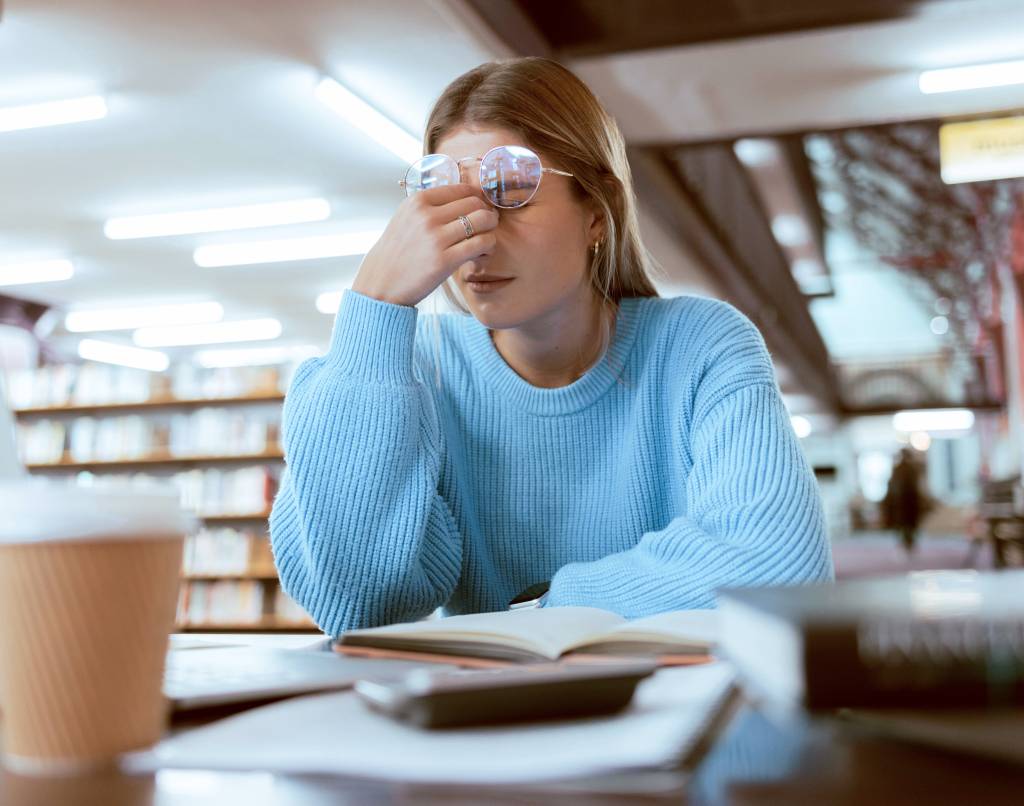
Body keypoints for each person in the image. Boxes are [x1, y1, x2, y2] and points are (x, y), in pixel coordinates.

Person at [269, 57, 833, 635]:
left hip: (674, 712)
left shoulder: (700, 347)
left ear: (596, 211)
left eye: (511, 191)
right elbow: (354, 602)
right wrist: (375, 308)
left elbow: (779, 569)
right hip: (484, 716)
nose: (474, 240)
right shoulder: (412, 373)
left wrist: (543, 609)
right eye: (444, 201)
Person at [883, 448, 927, 553]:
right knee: (905, 524)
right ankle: (906, 543)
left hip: (909, 501)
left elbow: (917, 486)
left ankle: (909, 543)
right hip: (903, 502)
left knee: (908, 524)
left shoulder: (911, 469)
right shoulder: (901, 469)